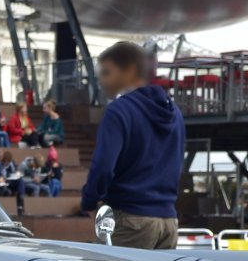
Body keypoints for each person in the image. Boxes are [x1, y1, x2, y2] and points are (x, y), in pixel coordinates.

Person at [79, 41, 185, 250]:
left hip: (130, 219)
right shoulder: (175, 113)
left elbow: (103, 166)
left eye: (107, 72)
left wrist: (89, 201)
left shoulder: (119, 111)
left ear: (129, 71)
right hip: (168, 222)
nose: (101, 80)